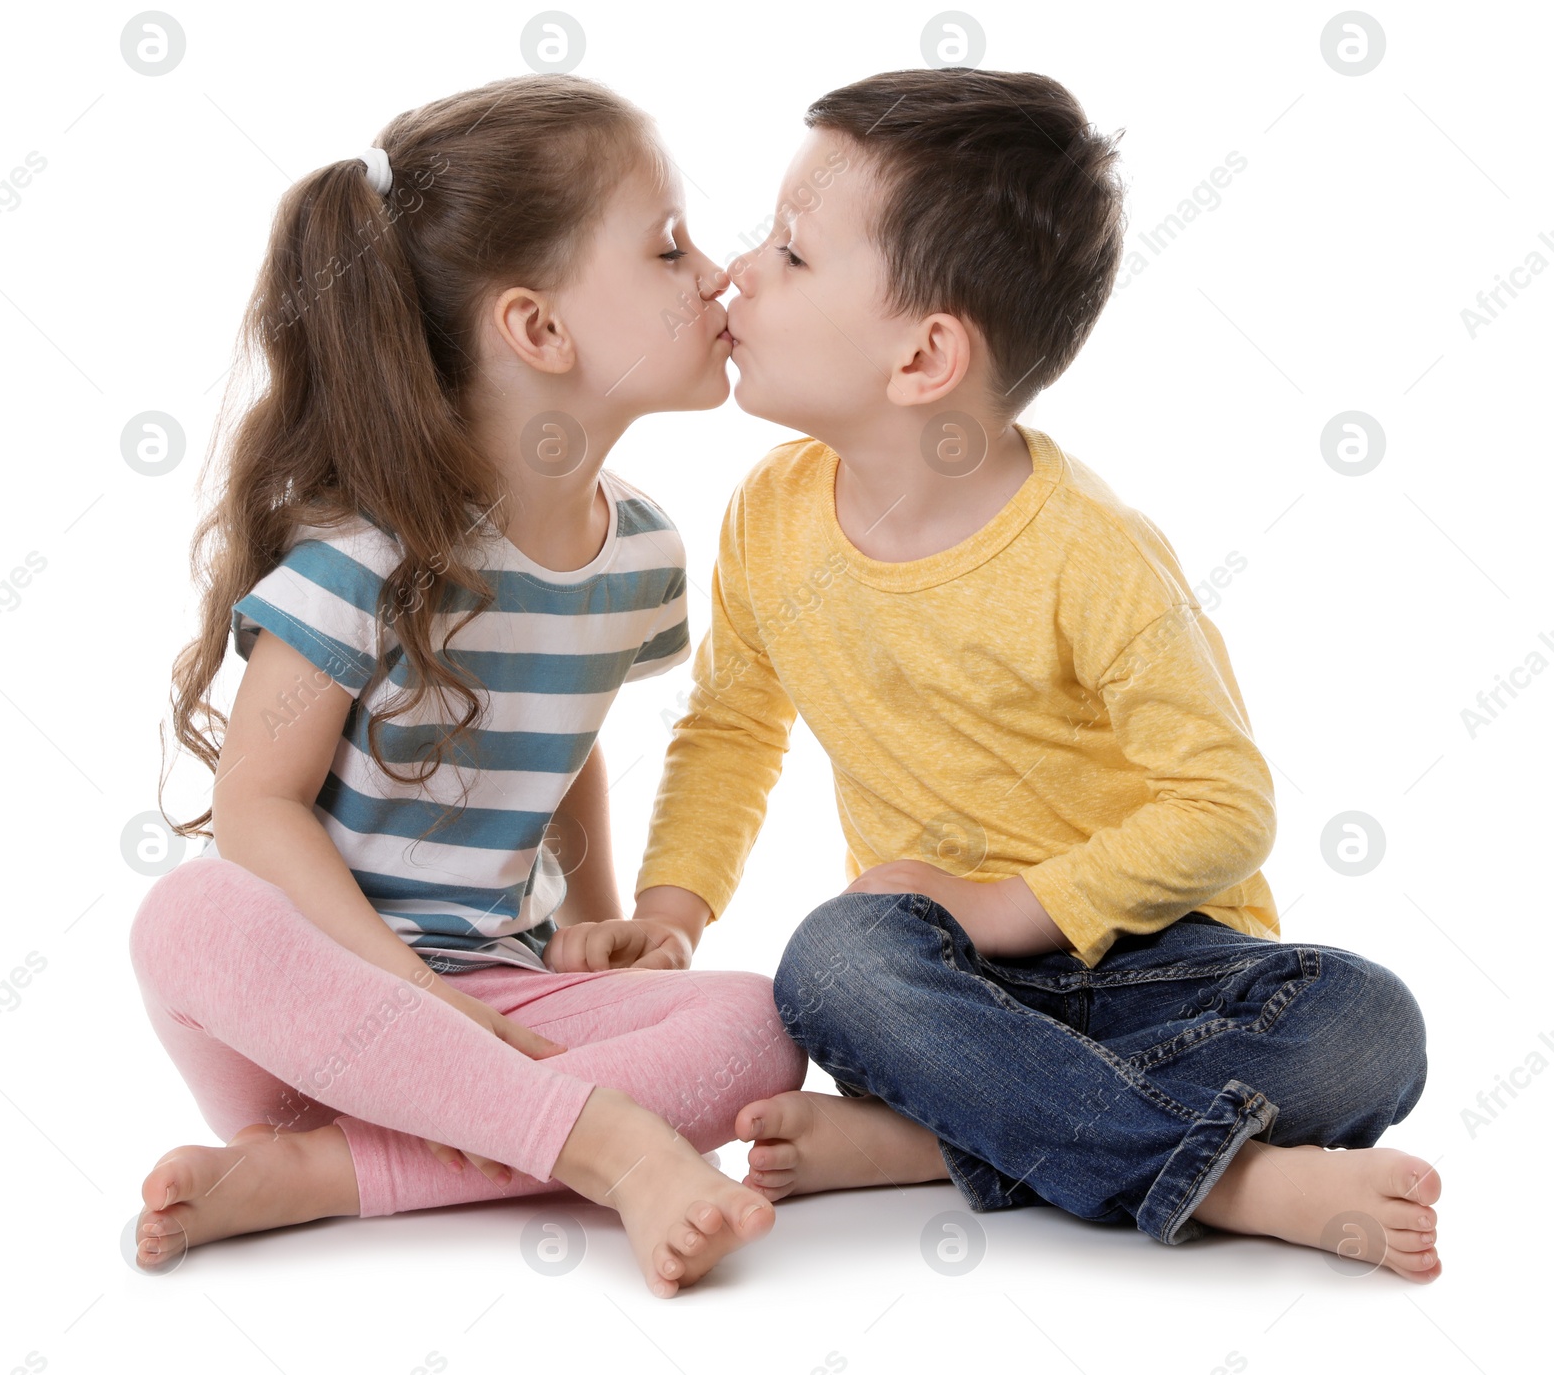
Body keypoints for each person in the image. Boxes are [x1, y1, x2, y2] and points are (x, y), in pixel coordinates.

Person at [595, 68, 1441, 1281]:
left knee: (1371, 1028)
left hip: (1162, 970)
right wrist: (670, 909)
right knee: (831, 965)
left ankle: (953, 1139)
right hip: (944, 993)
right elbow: (731, 729)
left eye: (790, 253)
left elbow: (1224, 809)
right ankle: (1214, 1171)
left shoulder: (1088, 552)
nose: (735, 272)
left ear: (925, 356)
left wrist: (998, 902)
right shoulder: (769, 518)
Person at [129, 73, 805, 1299]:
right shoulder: (362, 554)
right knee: (186, 919)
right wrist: (403, 997)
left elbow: (564, 749)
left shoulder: (639, 552)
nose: (716, 273)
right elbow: (256, 808)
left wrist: (597, 926)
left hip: (502, 1000)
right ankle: (607, 1150)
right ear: (538, 330)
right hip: (327, 1008)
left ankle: (324, 1177)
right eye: (667, 248)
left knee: (759, 1018)